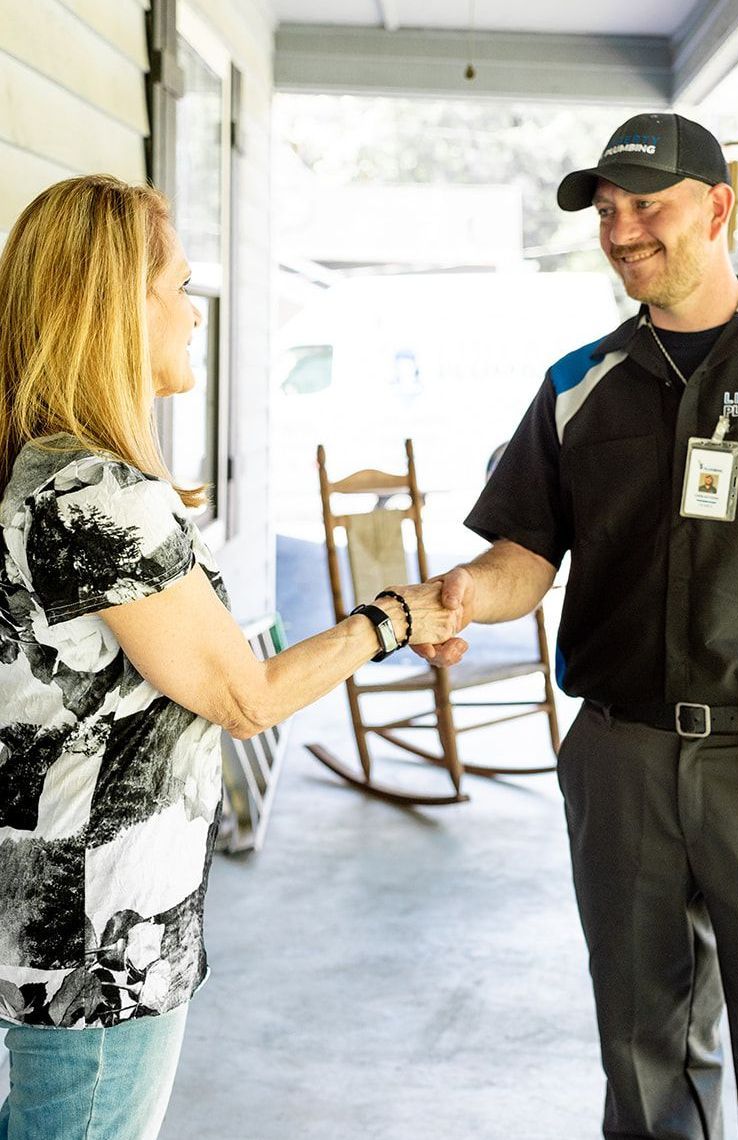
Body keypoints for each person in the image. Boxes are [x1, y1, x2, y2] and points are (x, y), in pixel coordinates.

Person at [412, 113, 738, 1138]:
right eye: (607, 212)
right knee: (643, 1055)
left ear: (717, 207)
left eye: (645, 206)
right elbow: (524, 558)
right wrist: (462, 597)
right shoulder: (579, 386)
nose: (622, 232)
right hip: (619, 755)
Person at [0, 175, 459, 1140]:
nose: (193, 314)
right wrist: (391, 617)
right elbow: (244, 698)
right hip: (97, 934)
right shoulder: (99, 492)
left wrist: (169, 537)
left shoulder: (52, 470)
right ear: (116, 308)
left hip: (53, 909)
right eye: (177, 286)